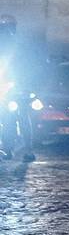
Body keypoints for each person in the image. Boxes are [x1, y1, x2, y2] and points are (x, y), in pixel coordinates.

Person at [0, 15, 36, 163]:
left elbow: (28, 66)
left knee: (22, 119)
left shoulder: (21, 45)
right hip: (6, 88)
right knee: (7, 120)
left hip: (19, 88)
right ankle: (8, 149)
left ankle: (27, 149)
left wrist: (26, 85)